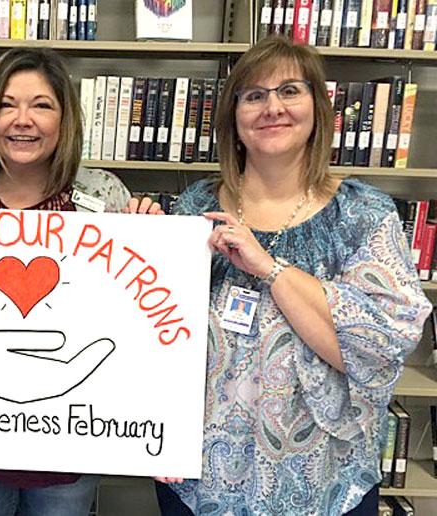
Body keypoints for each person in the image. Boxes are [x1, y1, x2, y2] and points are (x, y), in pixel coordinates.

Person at [156, 36, 432, 515]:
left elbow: (369, 351)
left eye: (289, 91)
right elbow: (158, 336)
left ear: (318, 109)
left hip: (323, 483)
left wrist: (269, 268)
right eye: (254, 95)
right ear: (234, 118)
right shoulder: (196, 209)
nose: (272, 108)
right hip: (200, 482)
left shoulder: (363, 215)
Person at [0, 47, 160, 516]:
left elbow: (132, 319)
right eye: (7, 105)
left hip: (68, 443)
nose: (22, 120)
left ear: (65, 119)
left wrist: (153, 240)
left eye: (42, 105)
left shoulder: (104, 195)